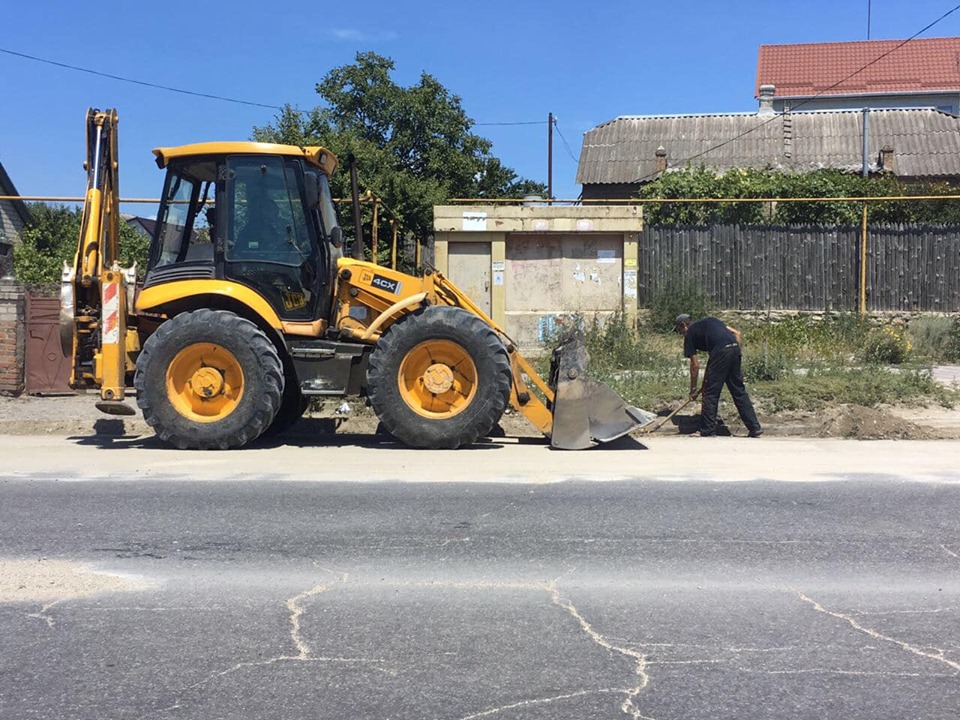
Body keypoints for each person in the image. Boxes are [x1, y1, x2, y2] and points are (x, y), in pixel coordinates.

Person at [674, 313, 762, 438]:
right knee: (739, 391)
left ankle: (707, 429)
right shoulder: (711, 321)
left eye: (679, 330)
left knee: (710, 393)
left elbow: (695, 365)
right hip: (734, 348)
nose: (681, 334)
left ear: (684, 325)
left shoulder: (690, 334)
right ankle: (754, 428)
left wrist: (693, 390)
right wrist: (733, 353)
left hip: (720, 352)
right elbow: (737, 333)